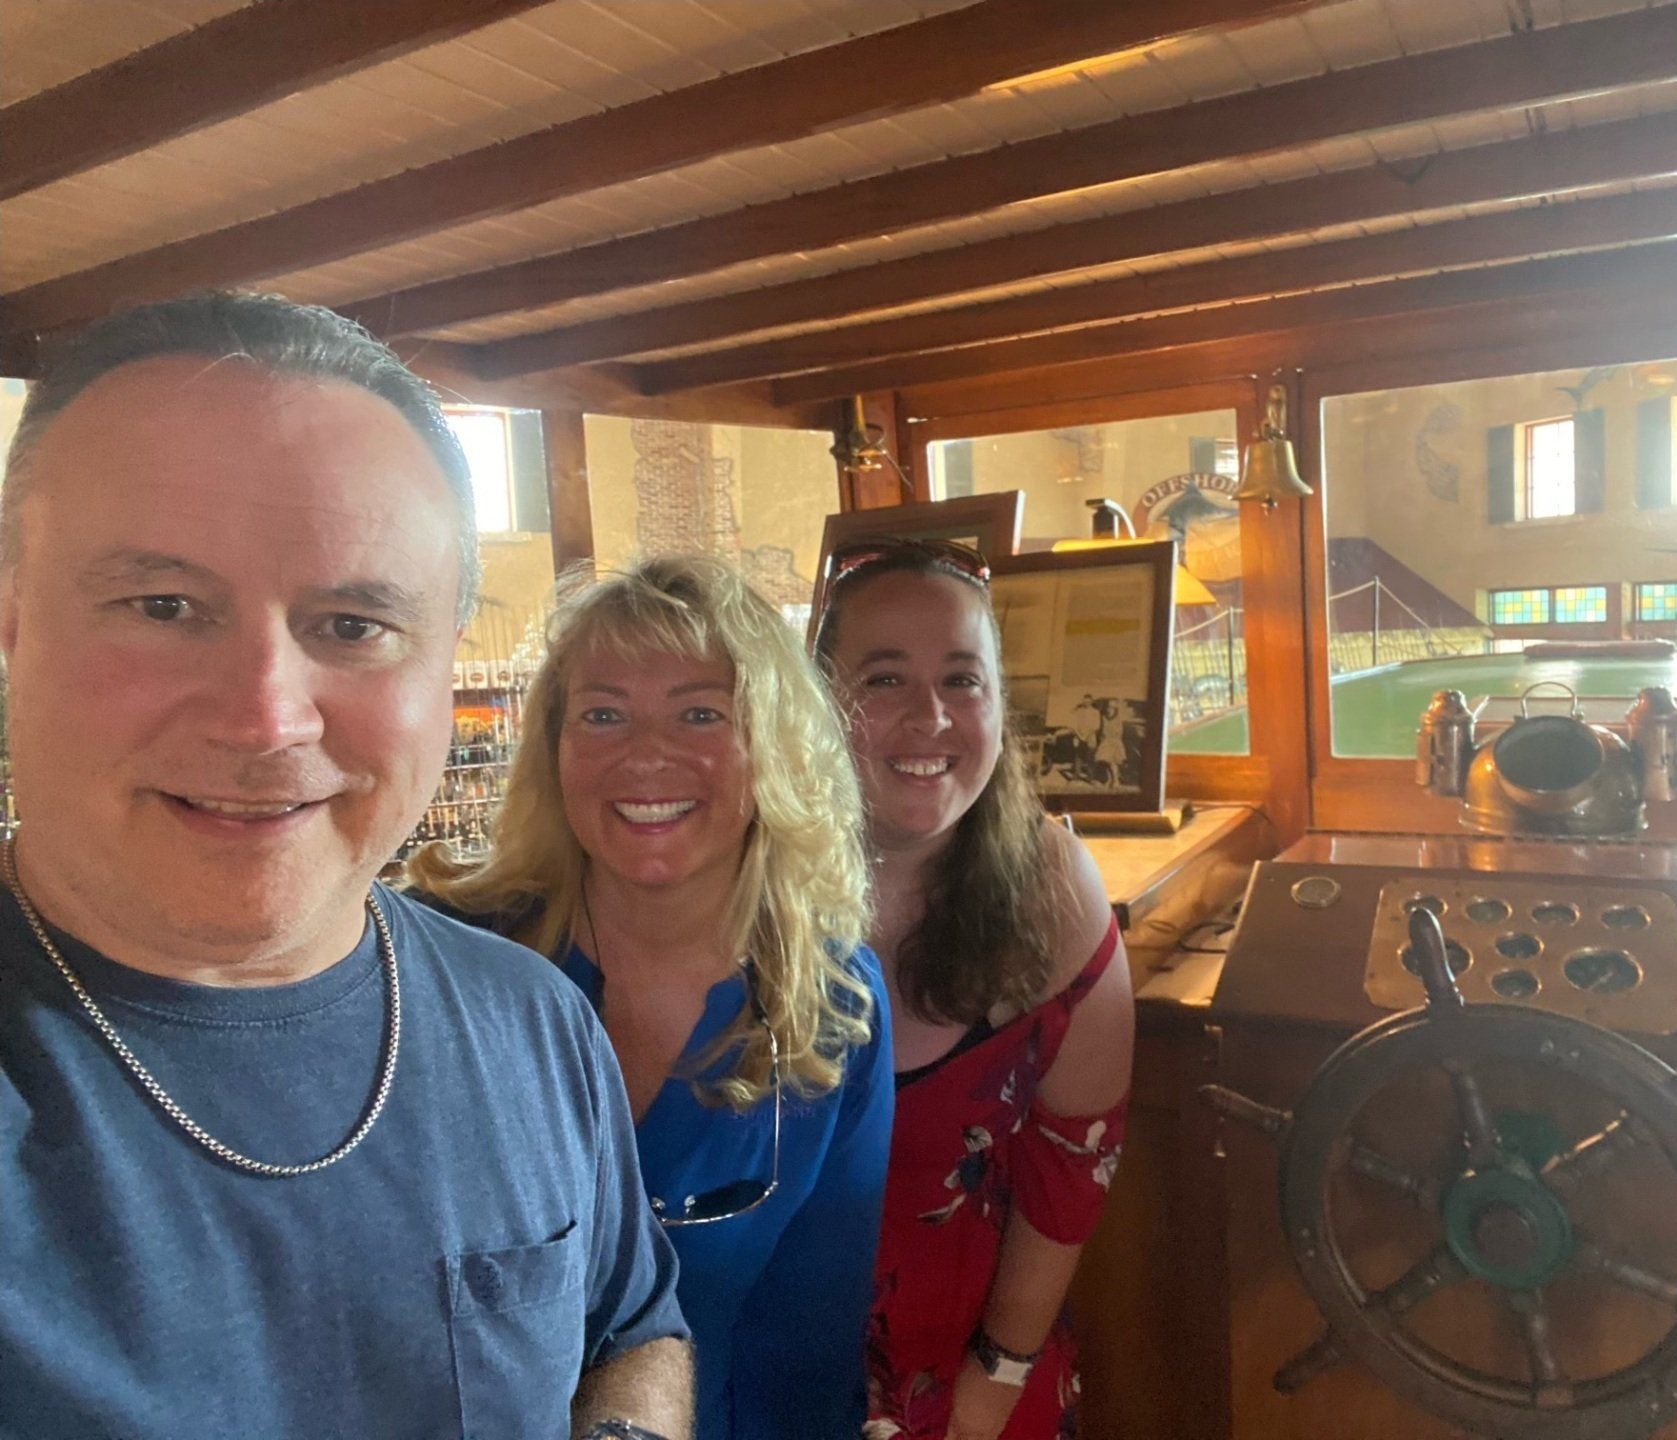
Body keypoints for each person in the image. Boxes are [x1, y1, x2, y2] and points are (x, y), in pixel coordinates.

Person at [0, 293, 691, 1440]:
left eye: (354, 625)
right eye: (164, 606)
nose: (267, 719)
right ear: (14, 623)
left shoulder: (532, 1020)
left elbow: (630, 1329)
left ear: (447, 659)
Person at [411, 554, 893, 1440]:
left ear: (774, 747)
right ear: (554, 749)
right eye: (602, 715)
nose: (646, 755)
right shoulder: (441, 958)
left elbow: (807, 1344)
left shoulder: (834, 1002)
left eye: (701, 713)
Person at [814, 540, 1136, 1440]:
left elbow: (1074, 1165)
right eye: (883, 681)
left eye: (963, 680)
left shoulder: (1052, 885)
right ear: (817, 704)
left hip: (978, 1388)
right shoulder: (740, 877)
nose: (931, 717)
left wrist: (992, 1382)